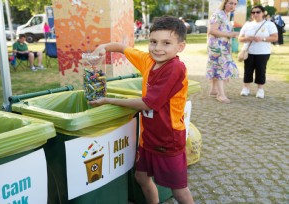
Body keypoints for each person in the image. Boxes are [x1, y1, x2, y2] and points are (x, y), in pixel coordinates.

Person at [88, 16, 194, 204]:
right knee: (141, 177)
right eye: (153, 42)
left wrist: (108, 100)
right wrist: (102, 47)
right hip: (148, 137)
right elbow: (121, 48)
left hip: (168, 139)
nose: (157, 48)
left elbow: (148, 103)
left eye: (166, 43)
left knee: (178, 189)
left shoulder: (175, 68)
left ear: (180, 47)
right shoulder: (148, 60)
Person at [238, 5, 278, 98]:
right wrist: (247, 38)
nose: (255, 14)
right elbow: (240, 38)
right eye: (253, 12)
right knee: (248, 70)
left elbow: (275, 37)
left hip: (263, 52)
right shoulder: (247, 24)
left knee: (260, 71)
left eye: (258, 12)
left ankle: (260, 90)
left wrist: (262, 39)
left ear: (263, 13)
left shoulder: (269, 24)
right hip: (248, 51)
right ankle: (246, 88)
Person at [206, 0, 239, 104]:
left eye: (235, 4)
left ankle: (214, 90)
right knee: (222, 67)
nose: (232, 6)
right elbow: (212, 30)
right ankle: (221, 95)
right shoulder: (218, 14)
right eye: (230, 3)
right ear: (225, 3)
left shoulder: (225, 15)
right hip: (218, 46)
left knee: (216, 66)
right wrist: (229, 34)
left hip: (221, 46)